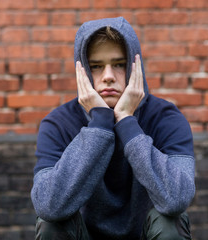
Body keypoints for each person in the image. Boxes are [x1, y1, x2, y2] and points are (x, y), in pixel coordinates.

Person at [31, 17, 195, 240]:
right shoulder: (58, 124)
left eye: (119, 64)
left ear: (135, 67)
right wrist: (99, 123)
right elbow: (47, 206)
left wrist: (127, 121)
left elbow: (177, 198)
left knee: (169, 221)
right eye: (96, 66)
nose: (108, 77)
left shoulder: (165, 118)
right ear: (83, 71)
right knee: (52, 224)